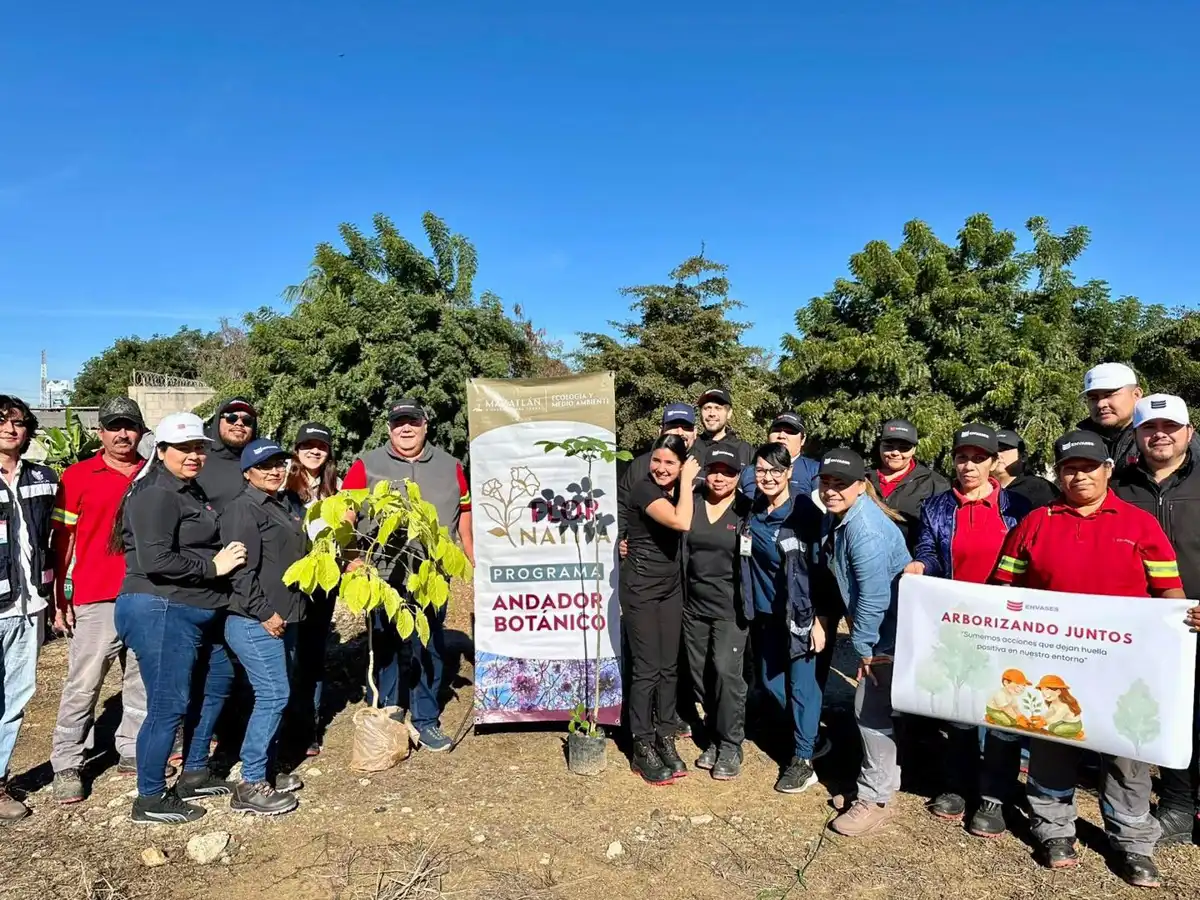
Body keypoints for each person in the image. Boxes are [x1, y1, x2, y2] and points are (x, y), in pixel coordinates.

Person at [993, 428, 1187, 886]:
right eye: (1068, 468)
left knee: (1125, 754)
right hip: (1051, 666)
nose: (1078, 476)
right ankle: (1053, 827)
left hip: (1124, 668)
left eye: (1087, 467)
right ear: (1058, 473)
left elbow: (1169, 592)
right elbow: (1000, 589)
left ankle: (1132, 841)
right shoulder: (1036, 522)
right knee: (1051, 744)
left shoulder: (1140, 524)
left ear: (1107, 470)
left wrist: (1185, 620)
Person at [114, 412, 248, 824]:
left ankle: (193, 771)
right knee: (168, 704)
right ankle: (150, 797)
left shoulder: (189, 491)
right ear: (163, 450)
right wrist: (215, 567)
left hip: (193, 610)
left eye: (199, 447)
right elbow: (156, 559)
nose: (194, 455)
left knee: (218, 680)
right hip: (161, 607)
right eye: (185, 448)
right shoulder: (156, 492)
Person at [907, 424, 1031, 836]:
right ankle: (957, 785)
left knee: (1002, 711)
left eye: (979, 458)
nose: (969, 465)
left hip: (1008, 623)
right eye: (962, 457)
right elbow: (928, 546)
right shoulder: (939, 506)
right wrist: (922, 564)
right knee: (958, 708)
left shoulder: (1018, 506)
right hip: (958, 623)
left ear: (995, 462)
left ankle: (995, 795)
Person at [342, 399, 474, 753]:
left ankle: (427, 719)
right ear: (389, 428)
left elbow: (464, 512)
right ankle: (391, 714)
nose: (406, 428)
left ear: (425, 425)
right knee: (386, 645)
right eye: (398, 422)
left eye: (412, 422)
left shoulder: (451, 466)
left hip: (431, 574)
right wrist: (351, 557)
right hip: (383, 574)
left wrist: (471, 555)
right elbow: (346, 514)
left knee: (429, 645)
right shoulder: (366, 465)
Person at [49, 397, 154, 805]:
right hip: (97, 596)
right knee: (84, 681)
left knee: (142, 679)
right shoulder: (77, 477)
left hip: (147, 592)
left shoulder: (154, 473)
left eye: (130, 426)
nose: (122, 434)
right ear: (101, 433)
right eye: (114, 427)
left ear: (141, 432)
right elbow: (64, 543)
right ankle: (68, 761)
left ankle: (132, 748)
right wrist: (62, 596)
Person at [1114, 394, 1200, 844]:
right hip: (1146, 626)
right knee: (1171, 715)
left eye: (1170, 426)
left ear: (1188, 431)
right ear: (1137, 434)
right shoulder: (1118, 486)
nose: (1159, 434)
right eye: (1150, 427)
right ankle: (1178, 807)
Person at [818, 448, 911, 837]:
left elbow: (873, 598)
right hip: (883, 631)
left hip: (886, 634)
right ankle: (881, 783)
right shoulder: (847, 517)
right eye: (827, 482)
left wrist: (865, 649)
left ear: (861, 485)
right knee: (873, 710)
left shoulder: (865, 530)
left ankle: (876, 798)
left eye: (841, 484)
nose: (832, 490)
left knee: (870, 713)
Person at [219, 439, 309, 815]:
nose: (274, 470)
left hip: (284, 619)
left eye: (279, 463)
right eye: (264, 466)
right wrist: (265, 614)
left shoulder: (282, 504)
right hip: (255, 621)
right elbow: (240, 573)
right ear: (247, 473)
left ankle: (267, 769)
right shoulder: (242, 509)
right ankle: (251, 782)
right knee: (273, 695)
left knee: (278, 694)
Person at [741, 443, 831, 794]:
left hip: (802, 616)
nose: (767, 477)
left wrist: (822, 618)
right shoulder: (753, 510)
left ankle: (804, 761)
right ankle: (812, 735)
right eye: (760, 470)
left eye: (775, 471)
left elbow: (824, 571)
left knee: (801, 687)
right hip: (765, 614)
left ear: (790, 473)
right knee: (770, 681)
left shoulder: (805, 512)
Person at [621, 434, 701, 784]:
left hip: (670, 588)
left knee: (670, 666)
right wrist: (685, 482)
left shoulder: (676, 492)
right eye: (657, 460)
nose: (661, 468)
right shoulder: (643, 489)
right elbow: (681, 522)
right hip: (640, 587)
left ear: (681, 465)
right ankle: (641, 743)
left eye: (670, 462)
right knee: (647, 667)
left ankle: (665, 734)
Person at [0, 395, 57, 823]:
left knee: (17, 697)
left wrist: (54, 597)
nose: (10, 429)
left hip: (28, 603)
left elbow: (53, 540)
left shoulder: (44, 477)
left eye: (18, 422)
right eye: (2, 422)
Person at [683, 445, 747, 780]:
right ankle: (713, 734)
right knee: (700, 675)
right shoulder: (691, 504)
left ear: (738, 476)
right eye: (715, 470)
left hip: (730, 611)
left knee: (725, 672)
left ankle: (731, 743)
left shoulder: (745, 511)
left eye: (728, 471)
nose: (720, 477)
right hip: (693, 607)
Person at [285, 421, 341, 756]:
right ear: (297, 448)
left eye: (320, 445)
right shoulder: (282, 481)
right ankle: (285, 724)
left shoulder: (337, 486)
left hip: (323, 581)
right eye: (307, 445)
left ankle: (309, 727)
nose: (314, 451)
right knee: (288, 654)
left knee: (313, 655)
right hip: (292, 579)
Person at [866, 419, 949, 550]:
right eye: (889, 446)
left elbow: (943, 534)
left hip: (911, 564)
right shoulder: (862, 479)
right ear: (880, 445)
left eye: (904, 448)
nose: (895, 452)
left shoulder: (935, 484)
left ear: (914, 449)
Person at [738, 412, 821, 500]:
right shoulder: (748, 471)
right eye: (776, 431)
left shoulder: (815, 470)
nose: (781, 436)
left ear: (803, 439)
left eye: (790, 432)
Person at [197, 397, 259, 512]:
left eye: (247, 420)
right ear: (217, 421)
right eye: (231, 418)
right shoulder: (197, 457)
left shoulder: (262, 460)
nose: (239, 423)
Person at [1078, 363, 1143, 471]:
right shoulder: (1079, 443)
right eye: (1093, 398)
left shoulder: (1153, 440)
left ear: (1136, 394)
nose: (1100, 404)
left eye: (1109, 395)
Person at [993, 429, 1057, 509]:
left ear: (1023, 456)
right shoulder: (981, 488)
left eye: (1004, 449)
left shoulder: (1039, 488)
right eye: (993, 450)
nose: (997, 454)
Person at [695, 388, 752, 466]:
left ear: (729, 413)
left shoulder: (745, 451)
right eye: (707, 408)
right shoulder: (691, 446)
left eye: (718, 408)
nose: (712, 413)